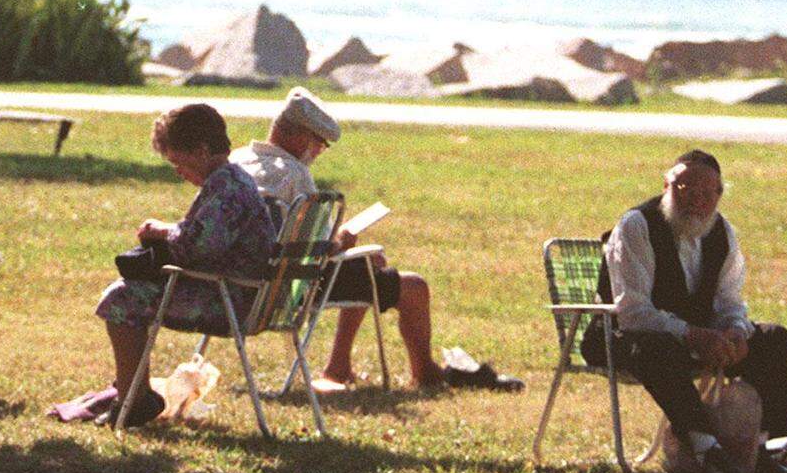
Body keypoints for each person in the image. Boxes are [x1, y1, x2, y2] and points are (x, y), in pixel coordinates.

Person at [232, 87, 498, 391]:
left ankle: (340, 366)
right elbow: (318, 250)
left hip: (237, 283)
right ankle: (424, 373)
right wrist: (342, 241)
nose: (319, 151)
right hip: (285, 289)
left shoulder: (237, 161)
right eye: (319, 143)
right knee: (411, 286)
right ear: (299, 137)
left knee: (366, 267)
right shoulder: (295, 175)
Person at [586, 148, 787, 473]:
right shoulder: (637, 226)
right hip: (621, 340)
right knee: (657, 347)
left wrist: (735, 333)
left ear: (718, 196)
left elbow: (729, 299)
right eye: (684, 190)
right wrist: (692, 334)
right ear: (666, 186)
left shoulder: (722, 233)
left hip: (696, 339)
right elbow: (632, 312)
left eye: (706, 194)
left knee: (773, 338)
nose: (695, 201)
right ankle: (706, 449)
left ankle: (764, 450)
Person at [96, 103, 276, 428]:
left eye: (179, 162)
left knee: (119, 299)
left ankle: (132, 399)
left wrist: (164, 233)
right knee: (126, 292)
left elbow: (197, 250)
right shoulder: (232, 180)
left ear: (203, 150)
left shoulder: (227, 190)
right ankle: (133, 395)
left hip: (230, 301)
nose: (177, 171)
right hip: (242, 295)